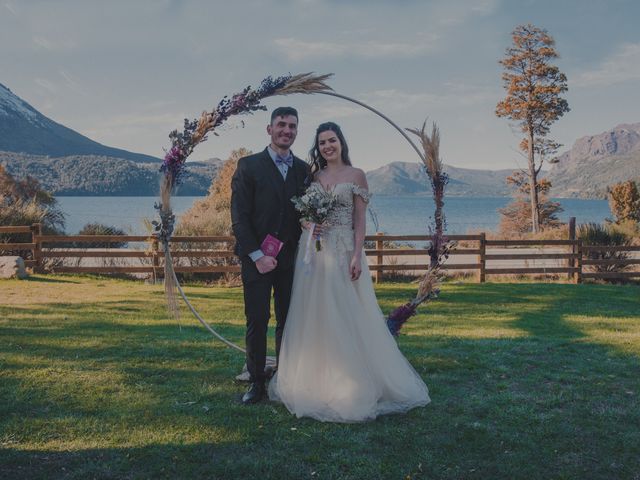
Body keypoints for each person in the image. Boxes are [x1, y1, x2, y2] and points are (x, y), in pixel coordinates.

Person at [268, 122, 430, 422]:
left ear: (341, 142)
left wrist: (356, 255)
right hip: (314, 252)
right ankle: (316, 378)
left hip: (342, 250)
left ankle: (355, 379)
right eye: (322, 143)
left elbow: (360, 220)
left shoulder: (357, 176)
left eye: (332, 140)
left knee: (345, 311)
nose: (327, 146)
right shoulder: (313, 176)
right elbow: (302, 214)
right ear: (318, 147)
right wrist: (308, 224)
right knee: (313, 313)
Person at [231, 107, 310, 404]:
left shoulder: (303, 170)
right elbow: (239, 216)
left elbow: (306, 213)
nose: (286, 130)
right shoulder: (248, 166)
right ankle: (256, 382)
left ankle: (284, 378)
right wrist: (256, 255)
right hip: (256, 260)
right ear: (269, 129)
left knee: (288, 320)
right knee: (258, 320)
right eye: (281, 124)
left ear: (296, 131)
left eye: (292, 126)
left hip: (290, 260)